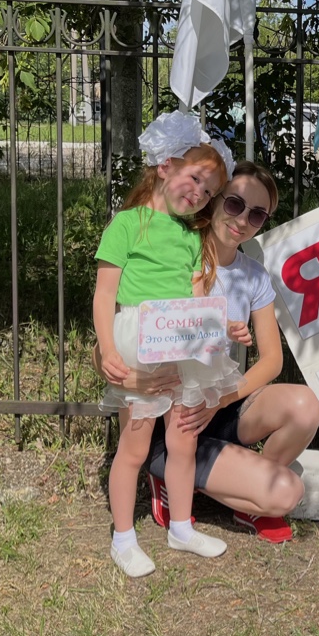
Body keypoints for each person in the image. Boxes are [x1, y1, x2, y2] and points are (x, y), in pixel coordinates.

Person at [97, 160, 319, 548]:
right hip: (173, 418)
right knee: (286, 492)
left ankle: (225, 488)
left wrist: (218, 401)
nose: (242, 220)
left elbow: (272, 361)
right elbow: (115, 338)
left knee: (305, 406)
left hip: (215, 404)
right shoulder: (177, 253)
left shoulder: (254, 275)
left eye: (257, 214)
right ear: (214, 200)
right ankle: (175, 476)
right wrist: (133, 379)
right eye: (235, 204)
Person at [94, 111, 241, 578]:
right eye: (195, 179)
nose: (199, 194)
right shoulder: (127, 224)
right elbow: (105, 295)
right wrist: (108, 349)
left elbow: (196, 297)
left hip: (181, 339)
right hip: (140, 342)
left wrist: (220, 329)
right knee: (135, 445)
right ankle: (123, 537)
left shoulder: (191, 235)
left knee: (183, 440)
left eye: (209, 191)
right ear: (165, 166)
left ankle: (181, 526)